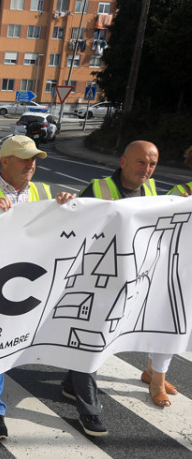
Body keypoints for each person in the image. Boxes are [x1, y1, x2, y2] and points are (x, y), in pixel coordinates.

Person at [0, 135, 74, 438]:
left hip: (33, 284)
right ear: (5, 161)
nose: (31, 165)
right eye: (25, 159)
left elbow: (62, 230)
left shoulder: (45, 193)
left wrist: (67, 207)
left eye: (34, 159)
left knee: (16, 342)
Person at [78, 140, 170, 417]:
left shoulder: (152, 189)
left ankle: (72, 383)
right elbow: (71, 227)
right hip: (97, 278)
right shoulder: (97, 188)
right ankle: (88, 405)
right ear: (123, 162)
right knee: (91, 339)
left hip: (132, 279)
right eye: (141, 162)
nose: (147, 169)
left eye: (152, 164)